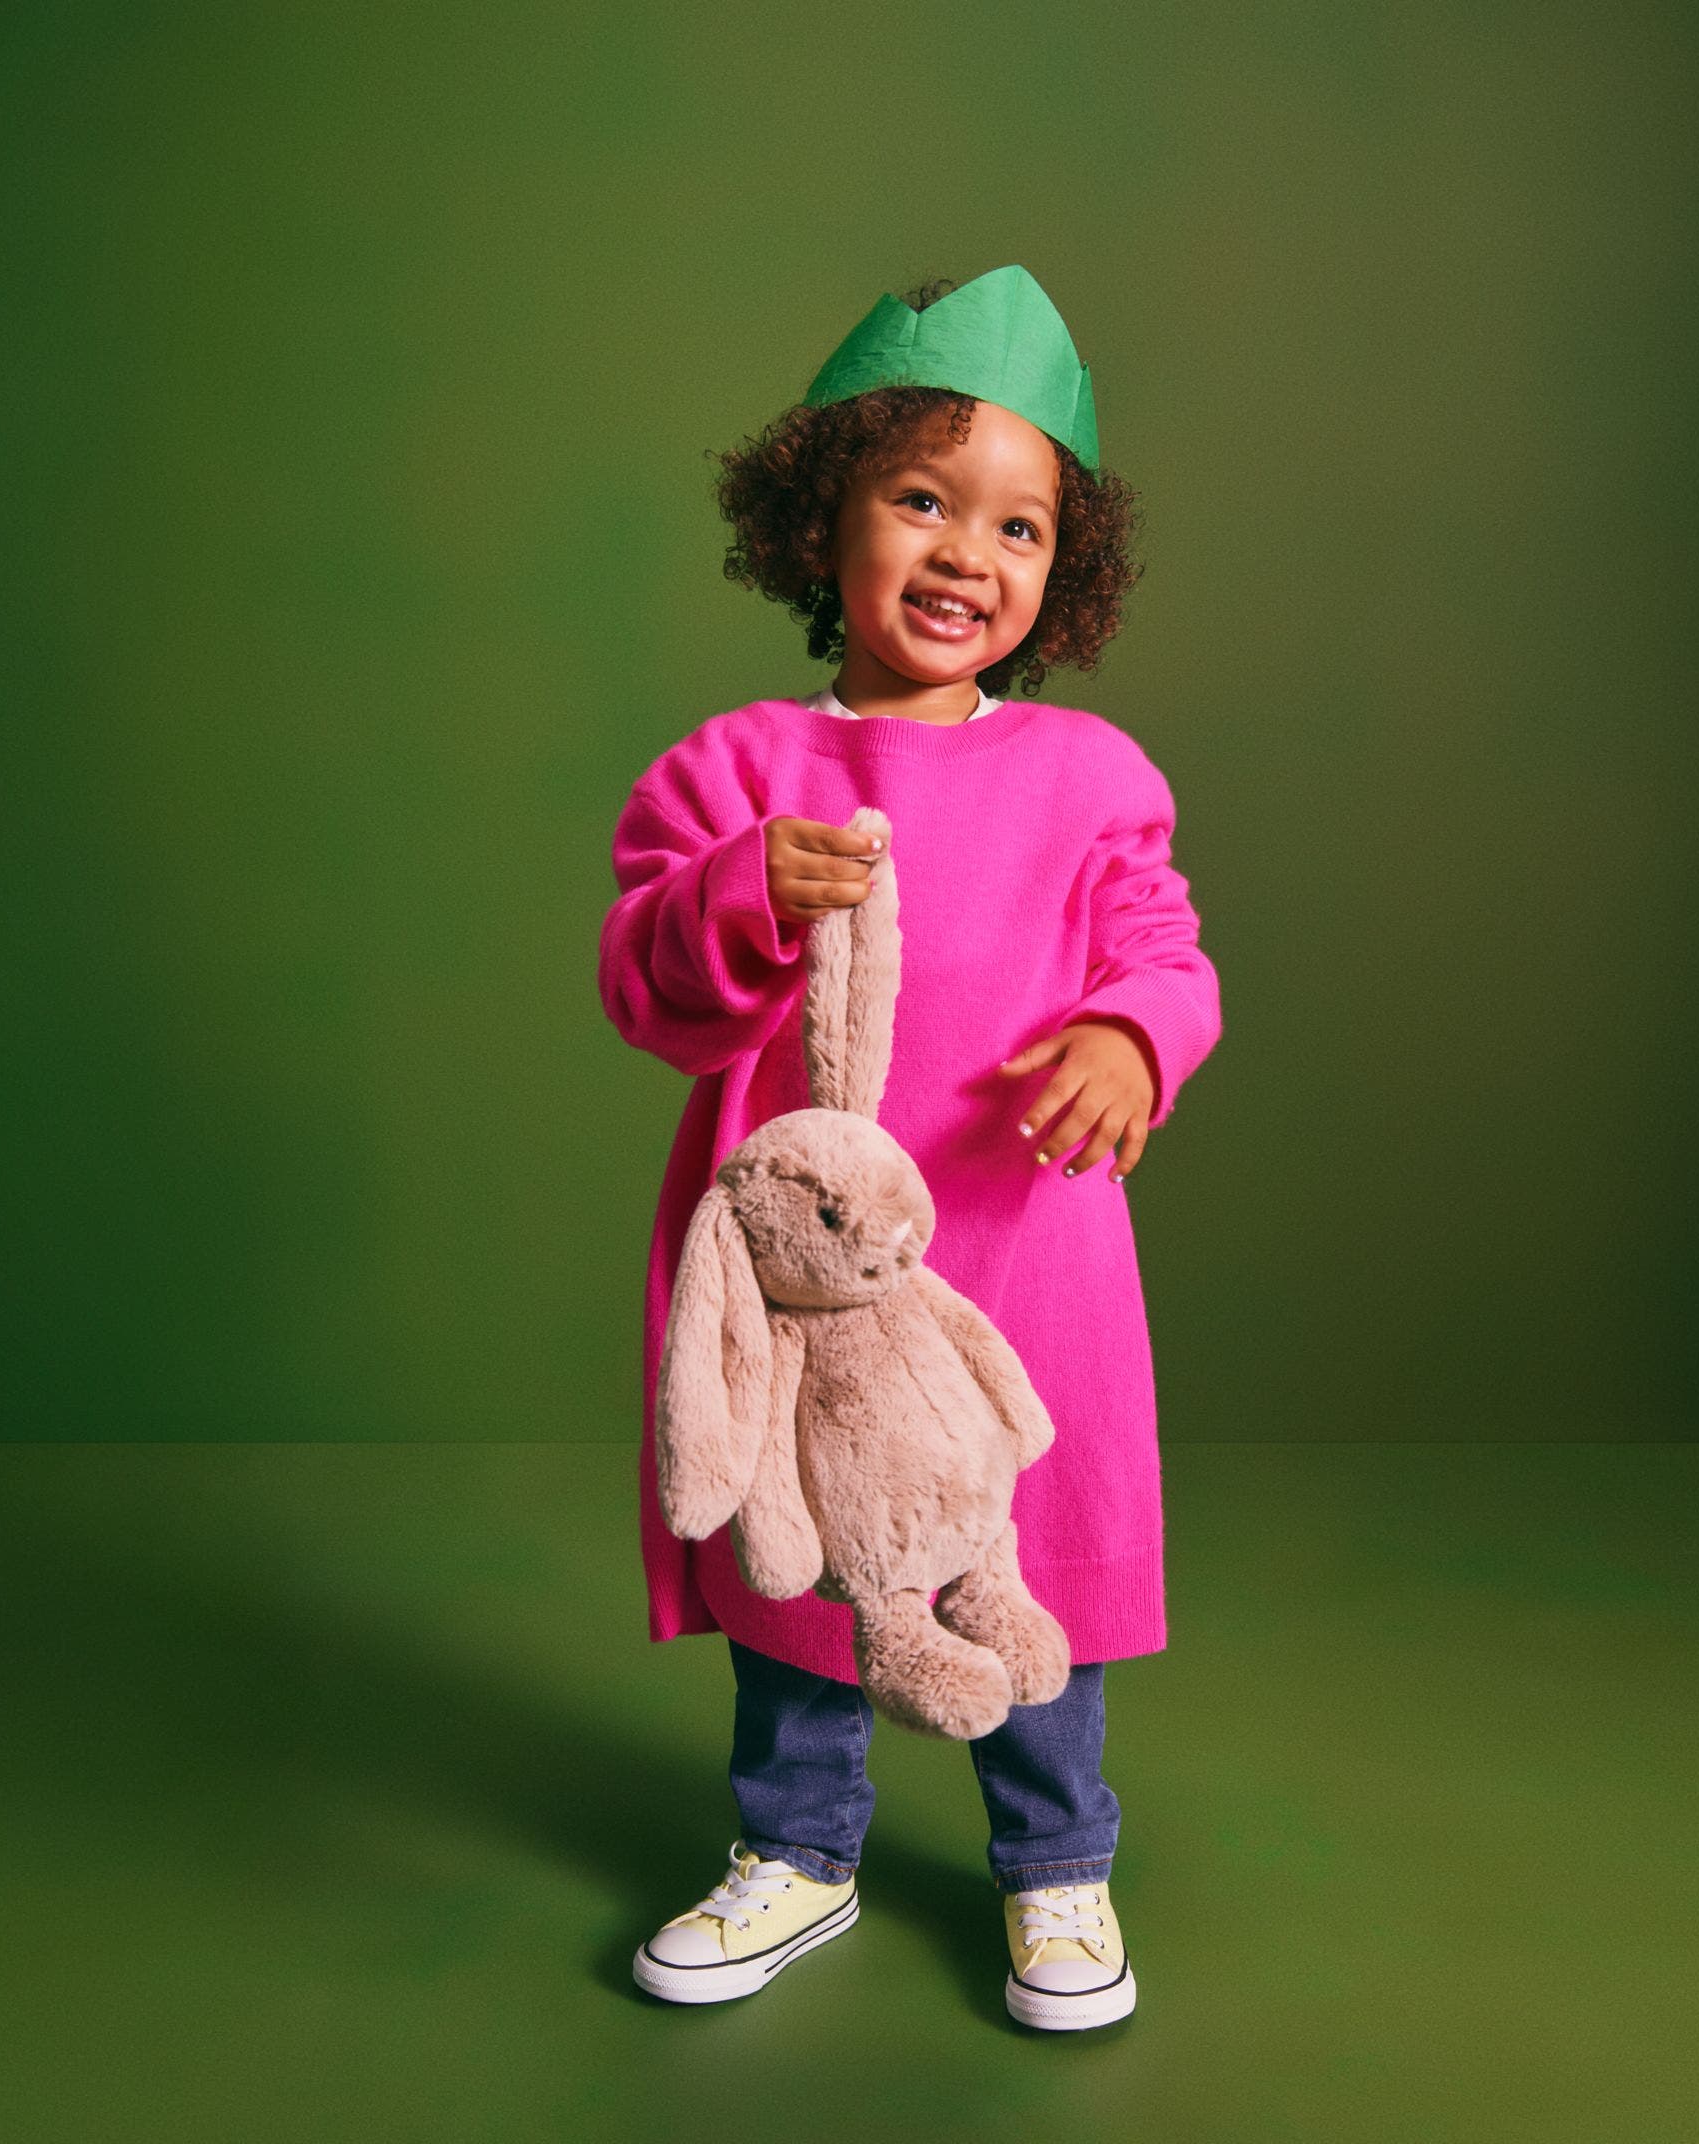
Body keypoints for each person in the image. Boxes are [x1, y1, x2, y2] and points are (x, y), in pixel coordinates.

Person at [596, 266, 1221, 2031]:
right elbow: (644, 984)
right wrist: (735, 894)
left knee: (1023, 1553)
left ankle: (1057, 1866)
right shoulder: (739, 768)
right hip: (808, 1296)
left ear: (1061, 575)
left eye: (1018, 527)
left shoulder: (1094, 778)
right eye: (923, 501)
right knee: (801, 1564)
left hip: (1024, 1266)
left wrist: (1131, 1036)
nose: (967, 556)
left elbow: (1165, 952)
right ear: (827, 521)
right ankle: (797, 1853)